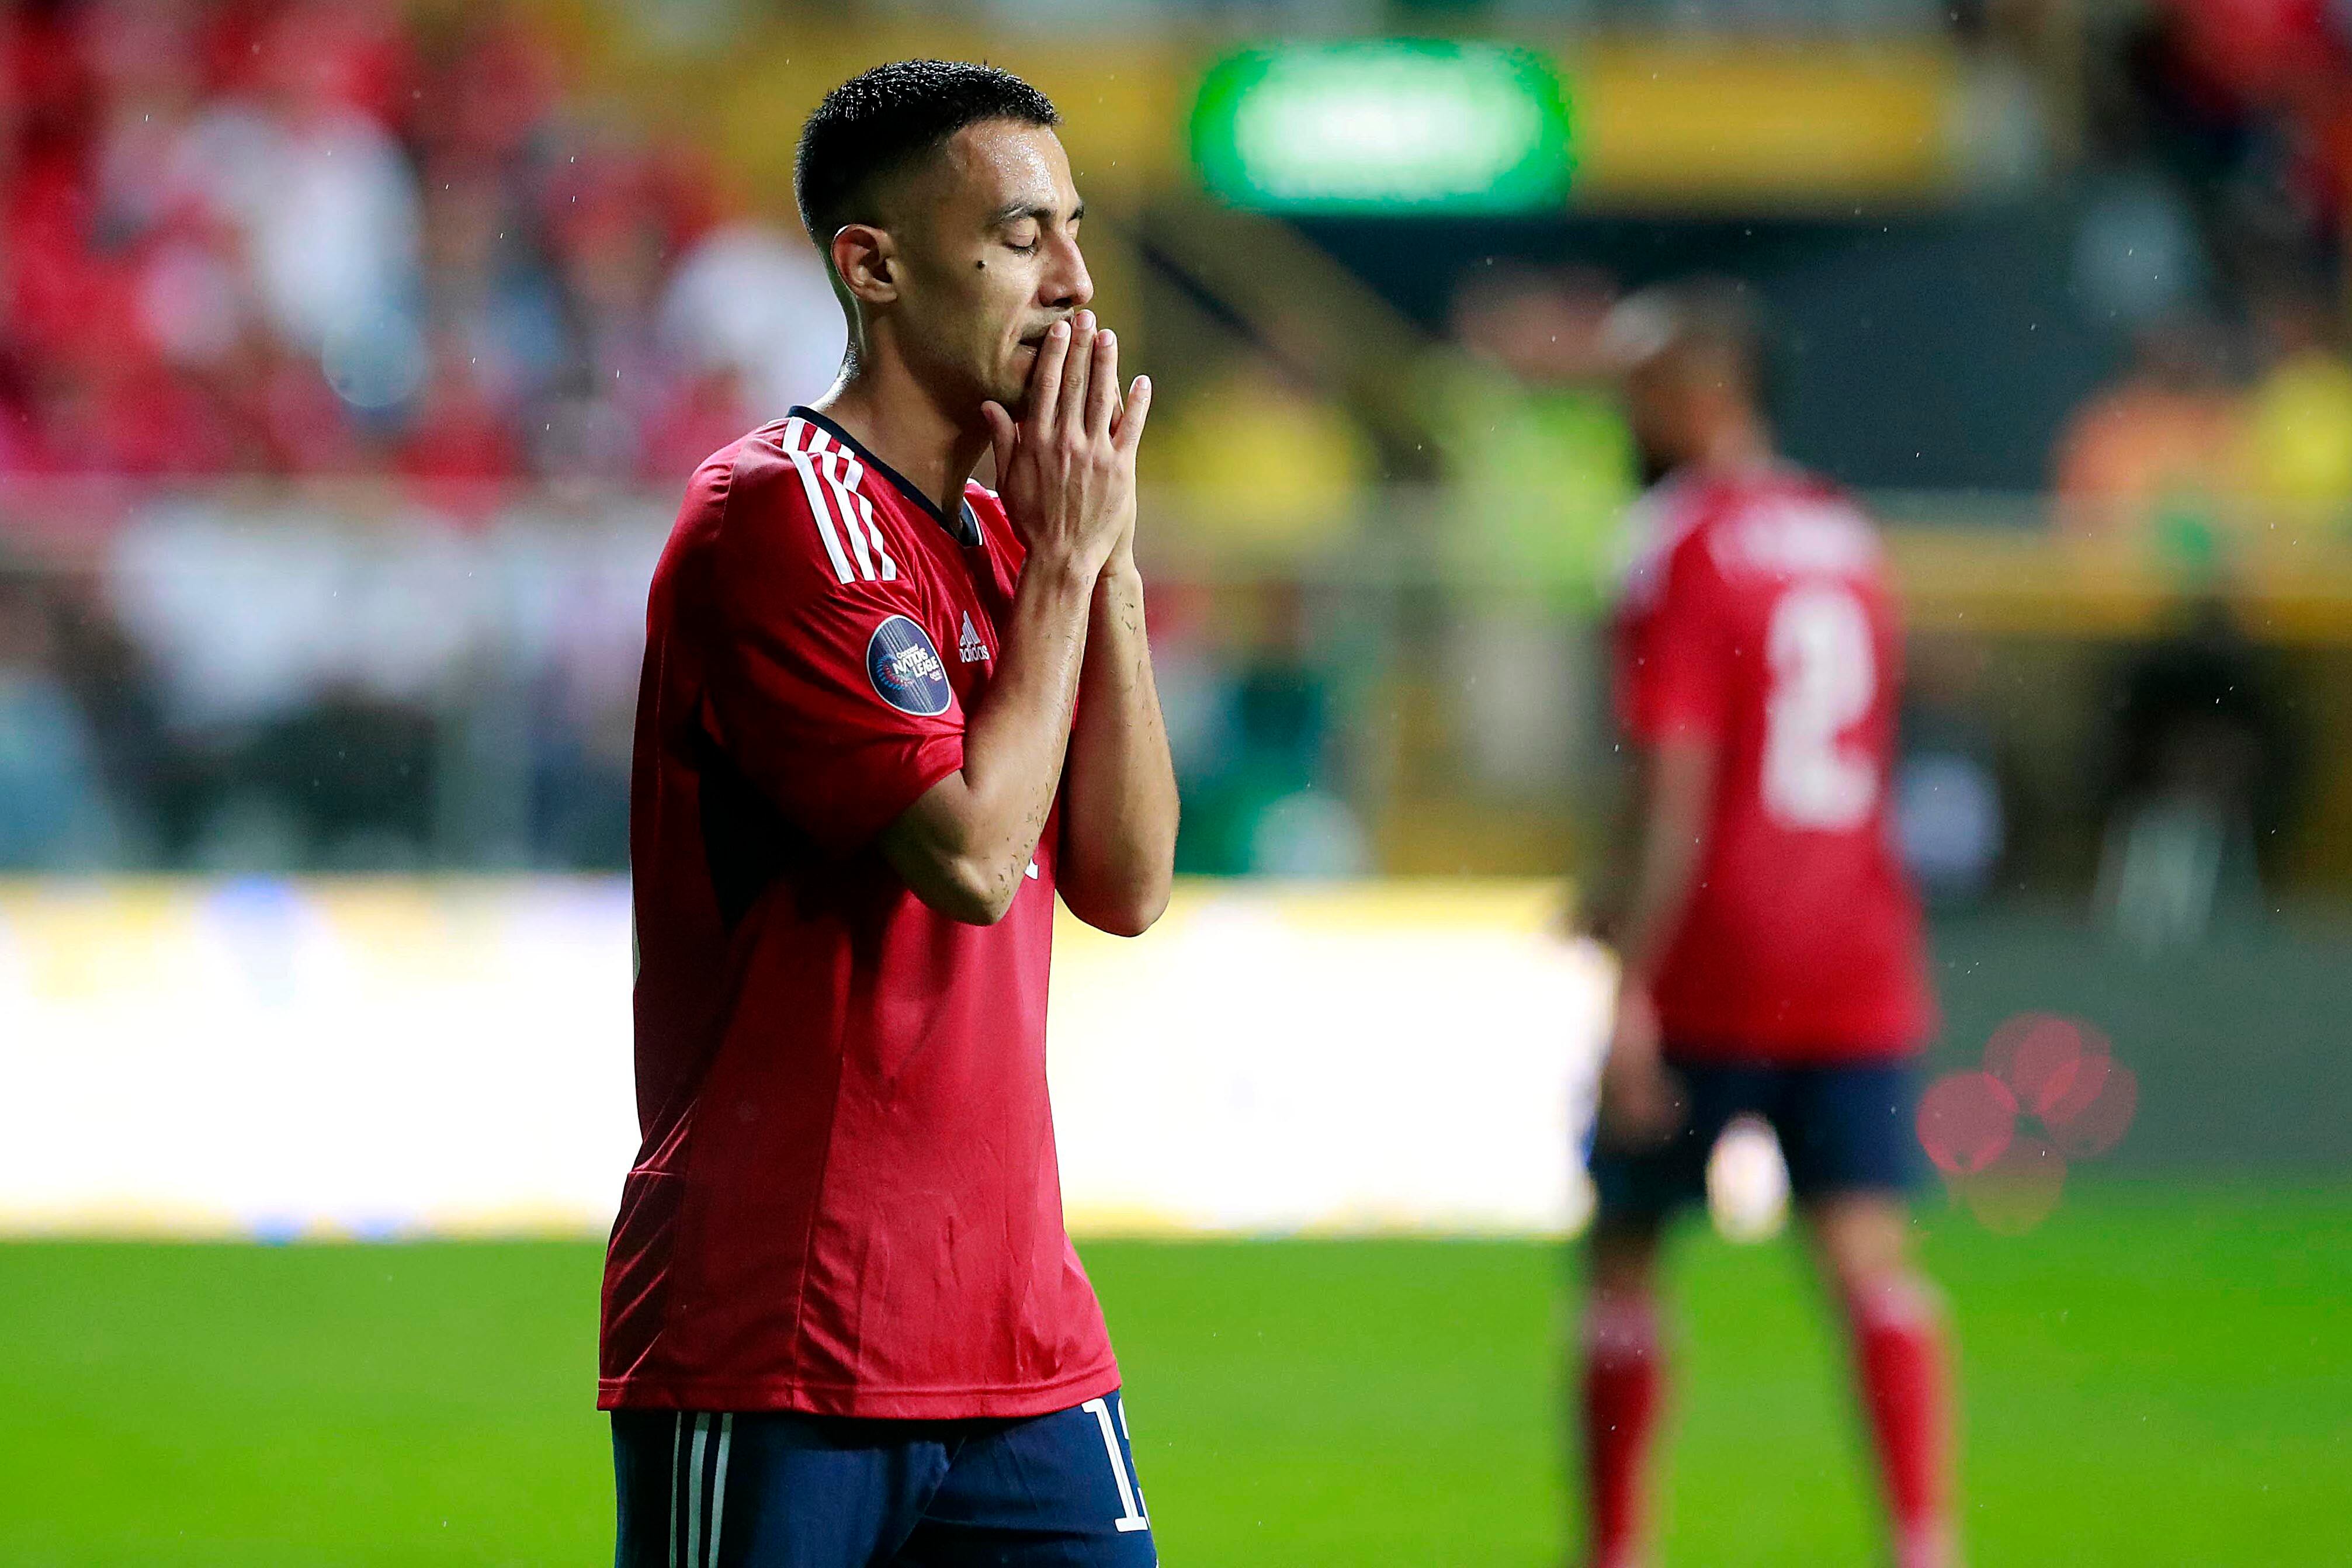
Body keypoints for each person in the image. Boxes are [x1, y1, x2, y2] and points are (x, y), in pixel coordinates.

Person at [602, 61, 1178, 1567]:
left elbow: (1126, 881)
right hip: (789, 1324)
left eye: (1074, 232)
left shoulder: (1012, 534)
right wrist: (1064, 573)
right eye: (1019, 237)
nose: (1074, 280)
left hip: (1021, 1334)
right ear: (874, 262)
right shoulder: (779, 512)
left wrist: (1099, 558)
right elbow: (978, 859)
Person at [1577, 282, 1953, 1568]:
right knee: (1868, 1253)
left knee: (1625, 1254)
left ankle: (1620, 1548)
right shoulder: (1845, 534)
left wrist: (1629, 972)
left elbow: (1676, 774)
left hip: (1716, 951)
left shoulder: (1675, 540)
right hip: (1855, 939)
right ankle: (1924, 1537)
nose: (1626, 416)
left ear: (1702, 394)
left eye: (1642, 389)